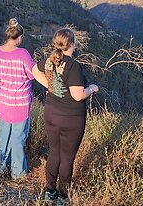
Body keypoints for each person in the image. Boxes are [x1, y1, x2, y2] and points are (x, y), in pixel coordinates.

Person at [32, 28, 99, 205]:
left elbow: (34, 71)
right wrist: (91, 88)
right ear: (72, 45)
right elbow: (78, 95)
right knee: (67, 157)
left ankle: (49, 192)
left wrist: (51, 86)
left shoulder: (49, 61)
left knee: (54, 153)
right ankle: (62, 196)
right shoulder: (73, 66)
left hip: (51, 113)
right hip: (71, 118)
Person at [0, 18, 35, 179]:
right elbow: (32, 75)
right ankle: (18, 173)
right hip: (19, 103)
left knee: (4, 134)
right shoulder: (23, 54)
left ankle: (3, 167)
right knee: (18, 137)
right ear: (19, 37)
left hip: (2, 101)